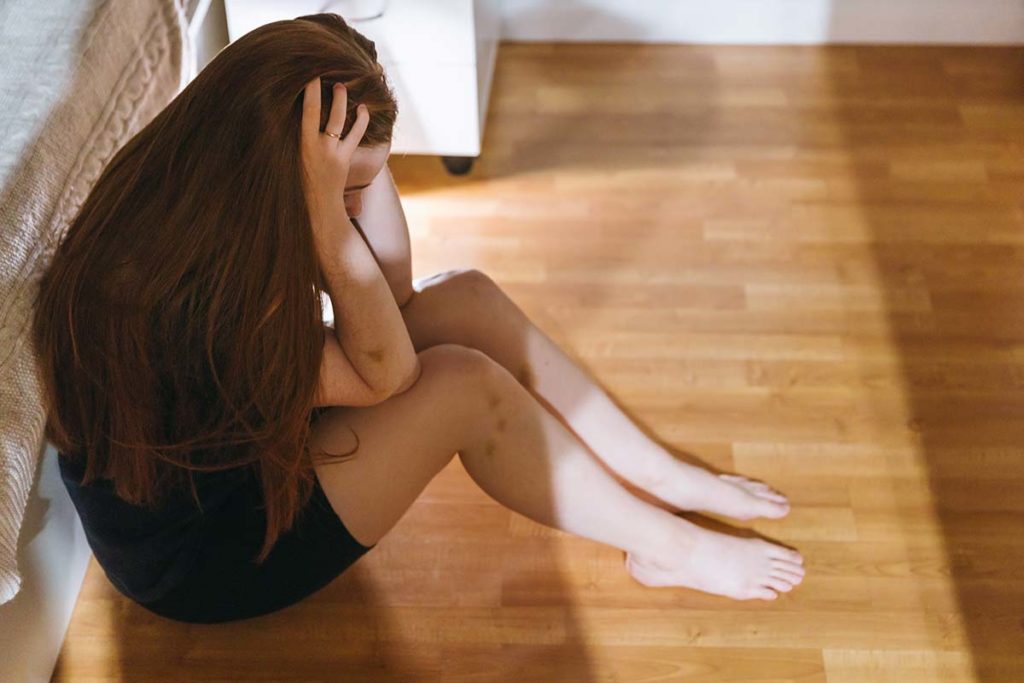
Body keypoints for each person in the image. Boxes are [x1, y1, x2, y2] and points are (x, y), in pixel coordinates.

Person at [32, 13, 804, 625]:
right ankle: (666, 545)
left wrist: (355, 168)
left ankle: (665, 479)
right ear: (284, 174)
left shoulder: (203, 186)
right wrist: (330, 223)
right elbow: (391, 371)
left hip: (236, 449)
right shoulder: (203, 301)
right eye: (340, 187)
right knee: (461, 388)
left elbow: (392, 296)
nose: (352, 201)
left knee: (463, 293)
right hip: (207, 552)